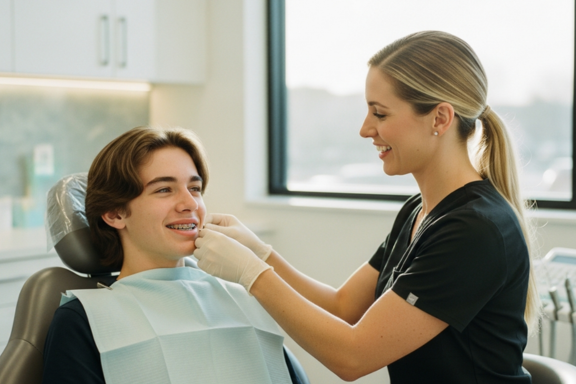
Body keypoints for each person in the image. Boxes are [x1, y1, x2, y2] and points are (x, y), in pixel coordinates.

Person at [194, 31, 540, 383]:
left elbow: (352, 356)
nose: (365, 129)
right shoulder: (418, 212)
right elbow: (343, 307)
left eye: (380, 113)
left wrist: (251, 274)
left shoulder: (474, 231)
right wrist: (260, 252)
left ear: (440, 118)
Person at [42, 126, 303, 384]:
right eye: (164, 189)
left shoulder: (243, 298)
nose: (189, 203)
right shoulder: (83, 322)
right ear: (115, 214)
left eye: (195, 188)